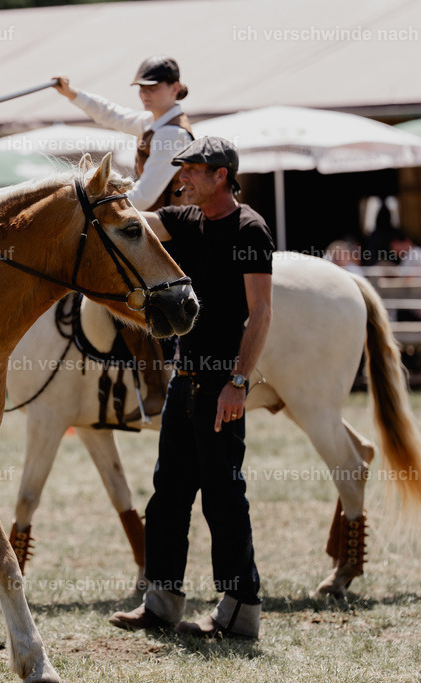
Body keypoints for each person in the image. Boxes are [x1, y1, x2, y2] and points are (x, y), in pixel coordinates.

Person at [108, 137, 273, 639]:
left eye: (192, 170)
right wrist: (106, 192)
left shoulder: (250, 229)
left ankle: (241, 610)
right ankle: (160, 603)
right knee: (168, 495)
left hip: (223, 384)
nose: (183, 179)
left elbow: (261, 314)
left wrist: (238, 383)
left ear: (221, 174)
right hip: (185, 380)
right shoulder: (185, 220)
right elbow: (132, 224)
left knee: (223, 497)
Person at [52, 57, 194, 422]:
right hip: (158, 225)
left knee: (126, 294)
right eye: (142, 88)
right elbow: (111, 115)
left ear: (175, 88)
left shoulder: (172, 134)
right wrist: (73, 95)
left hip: (171, 229)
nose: (146, 94)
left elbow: (144, 198)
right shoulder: (153, 124)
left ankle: (156, 386)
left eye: (153, 87)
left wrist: (104, 197)